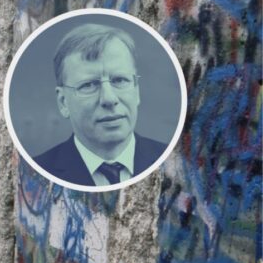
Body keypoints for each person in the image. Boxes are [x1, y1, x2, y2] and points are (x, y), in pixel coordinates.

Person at [34, 24, 166, 187]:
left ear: (136, 89)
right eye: (89, 85)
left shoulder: (173, 161)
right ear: (63, 102)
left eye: (119, 80)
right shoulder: (35, 174)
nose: (109, 99)